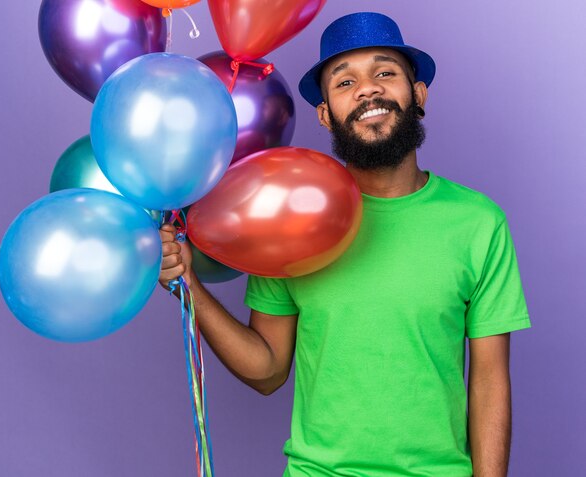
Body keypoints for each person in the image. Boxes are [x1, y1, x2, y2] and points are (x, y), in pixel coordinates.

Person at [159, 12, 531, 477]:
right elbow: (268, 369)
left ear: (417, 94)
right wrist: (190, 284)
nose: (367, 90)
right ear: (325, 115)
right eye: (344, 82)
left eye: (385, 73)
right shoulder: (288, 219)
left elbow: (490, 381)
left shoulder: (479, 223)